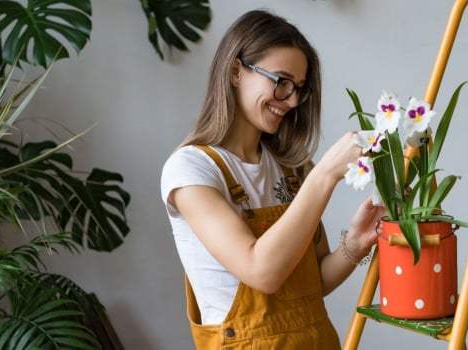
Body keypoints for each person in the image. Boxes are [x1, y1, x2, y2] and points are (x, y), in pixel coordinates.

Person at [160, 9, 385, 349]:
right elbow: (262, 271)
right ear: (236, 71)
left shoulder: (290, 168)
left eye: (298, 88)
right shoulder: (191, 170)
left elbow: (313, 283)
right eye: (281, 82)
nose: (292, 100)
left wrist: (353, 245)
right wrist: (325, 174)